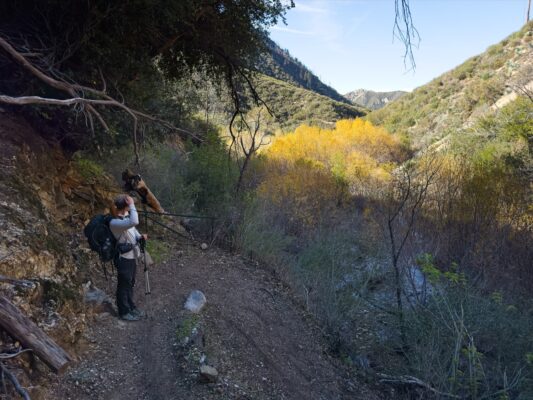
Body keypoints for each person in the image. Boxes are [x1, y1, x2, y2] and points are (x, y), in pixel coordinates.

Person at [110, 194, 147, 321]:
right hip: (123, 258)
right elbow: (134, 221)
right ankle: (124, 311)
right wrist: (132, 205)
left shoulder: (125, 218)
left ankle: (131, 307)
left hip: (132, 257)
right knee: (123, 284)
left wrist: (140, 237)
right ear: (126, 206)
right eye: (129, 205)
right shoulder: (114, 222)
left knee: (130, 283)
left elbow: (134, 231)